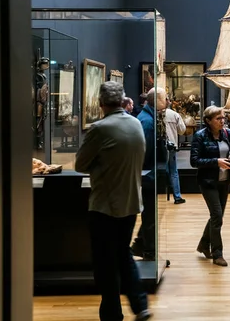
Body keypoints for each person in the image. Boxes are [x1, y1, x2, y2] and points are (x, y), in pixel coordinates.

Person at [75, 81, 152, 321]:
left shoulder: (100, 128)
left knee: (105, 263)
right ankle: (140, 304)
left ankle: (112, 313)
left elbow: (80, 165)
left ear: (100, 103)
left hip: (105, 205)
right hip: (130, 203)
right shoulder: (136, 123)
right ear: (121, 101)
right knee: (122, 253)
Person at [190, 105, 230, 267]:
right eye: (218, 118)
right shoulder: (199, 136)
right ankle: (217, 253)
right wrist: (216, 162)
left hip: (224, 181)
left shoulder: (227, 133)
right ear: (208, 121)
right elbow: (194, 161)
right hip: (208, 182)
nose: (222, 121)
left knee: (216, 216)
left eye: (223, 118)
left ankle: (204, 244)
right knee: (217, 216)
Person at [131, 87, 168, 261]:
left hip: (151, 173)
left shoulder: (151, 117)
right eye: (165, 98)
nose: (167, 101)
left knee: (150, 214)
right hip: (148, 174)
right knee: (149, 215)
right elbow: (144, 150)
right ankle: (149, 251)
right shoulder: (147, 121)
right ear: (158, 100)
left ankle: (140, 244)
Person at [164, 100, 187, 204]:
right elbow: (182, 130)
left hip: (158, 147)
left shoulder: (154, 113)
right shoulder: (174, 114)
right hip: (171, 146)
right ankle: (177, 197)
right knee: (173, 171)